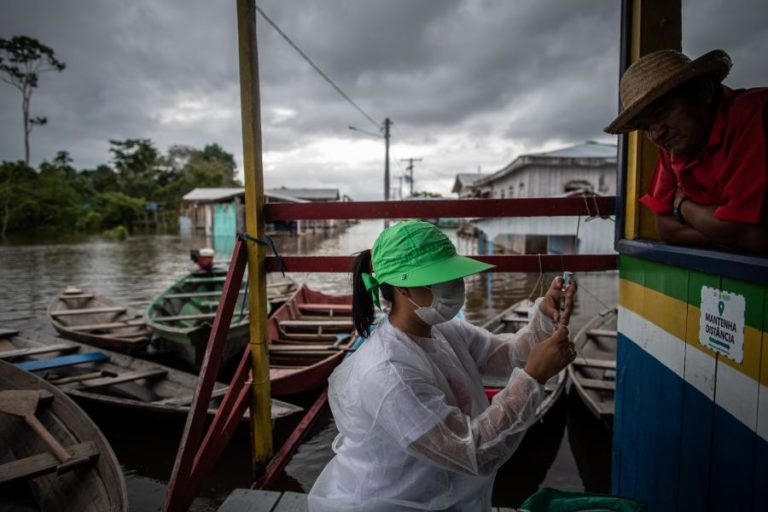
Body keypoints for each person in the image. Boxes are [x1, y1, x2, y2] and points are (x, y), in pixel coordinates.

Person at [307, 220, 577, 511]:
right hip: (392, 503)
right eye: (442, 279)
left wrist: (543, 319)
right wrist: (533, 377)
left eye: (455, 276)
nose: (456, 286)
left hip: (441, 496)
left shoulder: (441, 329)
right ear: (403, 287)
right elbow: (471, 452)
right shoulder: (389, 373)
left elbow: (507, 354)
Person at [604, 49, 768, 255]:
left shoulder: (753, 113)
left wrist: (682, 206)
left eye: (662, 112)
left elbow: (747, 234)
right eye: (646, 127)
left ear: (704, 91)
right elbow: (665, 228)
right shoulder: (677, 141)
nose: (655, 135)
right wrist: (731, 233)